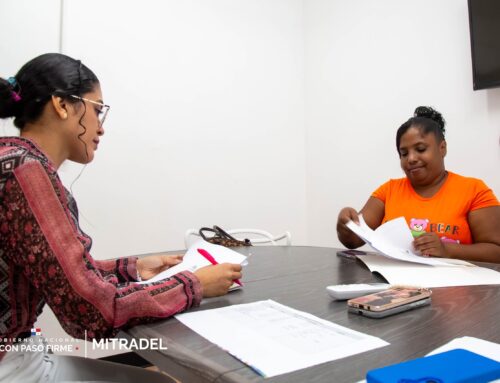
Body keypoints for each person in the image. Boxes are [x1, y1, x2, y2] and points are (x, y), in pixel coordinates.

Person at [0, 53, 242, 382]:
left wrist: (132, 268)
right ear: (62, 105)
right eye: (97, 110)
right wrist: (194, 284)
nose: (101, 128)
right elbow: (88, 313)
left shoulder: (9, 159)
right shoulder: (28, 173)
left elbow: (53, 270)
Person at [337, 106, 500, 263]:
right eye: (404, 153)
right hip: (397, 287)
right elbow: (353, 241)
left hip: (455, 289)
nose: (411, 158)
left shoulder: (474, 190)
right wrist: (345, 225)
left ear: (442, 148)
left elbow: (496, 252)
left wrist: (446, 250)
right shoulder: (388, 190)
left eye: (420, 149)